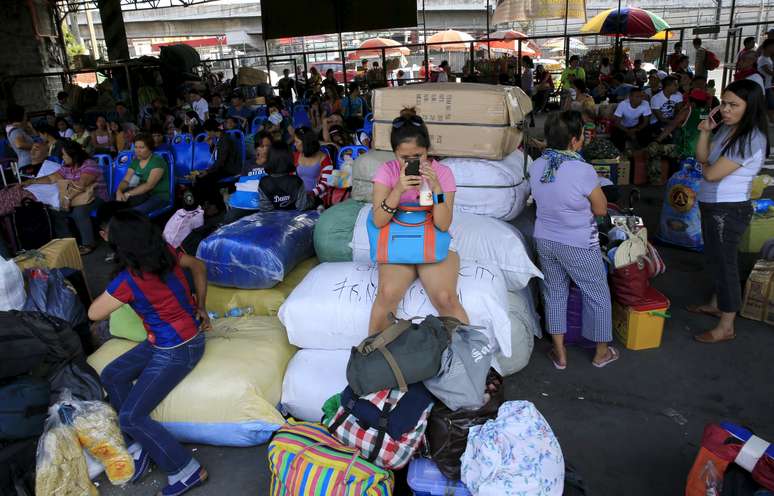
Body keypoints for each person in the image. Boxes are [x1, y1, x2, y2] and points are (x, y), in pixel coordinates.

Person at [87, 210, 210, 496]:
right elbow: (199, 266)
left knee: (130, 416)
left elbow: (94, 312)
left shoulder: (128, 279)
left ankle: (187, 470)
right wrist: (201, 306)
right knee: (113, 374)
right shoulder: (166, 251)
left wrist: (115, 282)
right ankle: (139, 445)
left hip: (178, 349)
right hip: (171, 340)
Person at [529, 110, 616, 369]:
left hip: (545, 239)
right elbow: (601, 210)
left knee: (554, 293)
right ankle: (601, 354)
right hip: (578, 243)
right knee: (597, 294)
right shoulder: (583, 170)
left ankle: (560, 354)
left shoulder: (536, 165)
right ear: (576, 140)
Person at [368, 108, 467, 335]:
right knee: (387, 293)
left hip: (432, 236)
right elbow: (379, 220)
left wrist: (437, 189)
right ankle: (373, 354)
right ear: (394, 154)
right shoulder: (387, 172)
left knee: (445, 297)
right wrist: (399, 189)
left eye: (419, 156)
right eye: (405, 158)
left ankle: (469, 355)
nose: (412, 162)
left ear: (428, 151)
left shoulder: (442, 173)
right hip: (397, 238)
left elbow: (443, 224)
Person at [689, 79, 768, 343]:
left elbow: (710, 173)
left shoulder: (750, 138)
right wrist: (704, 132)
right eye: (723, 103)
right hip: (713, 205)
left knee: (726, 266)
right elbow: (702, 158)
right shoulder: (727, 129)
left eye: (733, 105)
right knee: (716, 259)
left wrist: (705, 168)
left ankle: (727, 326)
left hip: (729, 210)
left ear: (751, 107)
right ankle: (716, 303)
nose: (725, 109)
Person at [24, 140, 108, 255]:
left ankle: (89, 244)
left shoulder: (89, 164)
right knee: (55, 212)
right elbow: (51, 178)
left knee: (79, 211)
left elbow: (81, 184)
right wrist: (32, 181)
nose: (62, 157)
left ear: (73, 154)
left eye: (64, 154)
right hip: (76, 198)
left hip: (96, 197)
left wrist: (67, 199)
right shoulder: (67, 167)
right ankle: (69, 243)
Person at [190, 119, 241, 215]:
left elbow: (221, 161)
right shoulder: (219, 139)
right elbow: (216, 155)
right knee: (200, 178)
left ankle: (215, 205)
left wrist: (207, 171)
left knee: (204, 178)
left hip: (228, 169)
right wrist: (210, 145)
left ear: (211, 131)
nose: (207, 134)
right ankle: (207, 204)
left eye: (207, 132)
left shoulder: (225, 139)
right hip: (221, 168)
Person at [114, 134, 170, 215]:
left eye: (141, 147)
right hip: (141, 195)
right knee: (115, 208)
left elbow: (149, 185)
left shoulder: (157, 161)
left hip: (159, 196)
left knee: (132, 214)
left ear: (150, 148)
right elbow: (126, 180)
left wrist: (128, 194)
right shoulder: (135, 162)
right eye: (136, 147)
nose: (137, 151)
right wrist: (119, 191)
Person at [257, 142, 311, 211]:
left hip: (272, 221)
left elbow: (266, 210)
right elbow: (302, 207)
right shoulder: (297, 181)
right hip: (294, 220)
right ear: (289, 158)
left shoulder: (263, 182)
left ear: (270, 159)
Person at [293, 127, 333, 201]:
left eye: (297, 142)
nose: (294, 144)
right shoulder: (296, 155)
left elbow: (326, 182)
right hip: (299, 198)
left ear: (305, 143)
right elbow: (291, 177)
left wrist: (311, 194)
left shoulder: (324, 158)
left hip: (318, 199)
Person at [611, 87, 652, 152]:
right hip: (622, 126)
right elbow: (617, 122)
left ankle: (642, 150)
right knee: (615, 135)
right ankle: (621, 151)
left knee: (648, 131)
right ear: (630, 97)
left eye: (641, 96)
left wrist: (636, 129)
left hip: (636, 126)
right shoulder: (623, 104)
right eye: (637, 96)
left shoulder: (645, 104)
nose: (640, 99)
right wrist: (628, 131)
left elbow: (645, 122)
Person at [6, 104, 34, 172]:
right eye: (25, 114)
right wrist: (36, 146)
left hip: (29, 162)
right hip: (27, 164)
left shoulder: (18, 129)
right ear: (20, 115)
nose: (26, 116)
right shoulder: (15, 131)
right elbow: (19, 145)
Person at [757, 39, 774, 120]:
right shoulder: (763, 59)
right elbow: (769, 72)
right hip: (764, 86)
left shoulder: (767, 58)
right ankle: (771, 120)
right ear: (767, 47)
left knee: (768, 104)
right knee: (770, 104)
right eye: (772, 46)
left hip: (767, 85)